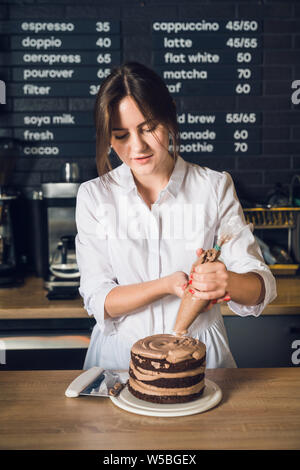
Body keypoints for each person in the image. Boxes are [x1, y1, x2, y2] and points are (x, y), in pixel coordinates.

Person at [75, 62, 277, 370]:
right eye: (121, 135)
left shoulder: (213, 187)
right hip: (119, 361)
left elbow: (260, 287)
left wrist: (227, 281)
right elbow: (99, 300)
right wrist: (167, 285)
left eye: (148, 128)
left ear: (170, 115)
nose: (137, 146)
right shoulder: (94, 196)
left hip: (203, 361)